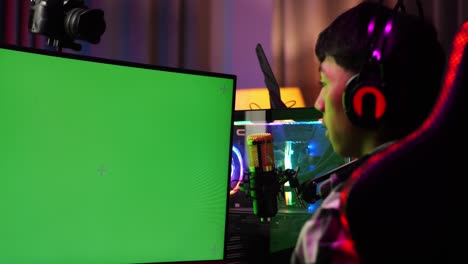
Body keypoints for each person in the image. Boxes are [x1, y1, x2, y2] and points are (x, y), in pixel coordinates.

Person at [291, 1, 446, 263]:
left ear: (365, 97)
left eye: (325, 82)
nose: (318, 103)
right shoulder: (446, 183)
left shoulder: (338, 223)